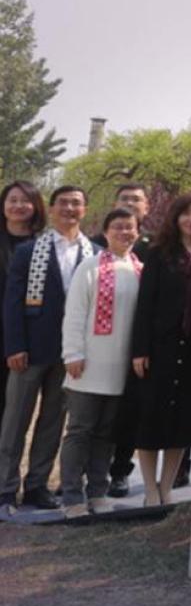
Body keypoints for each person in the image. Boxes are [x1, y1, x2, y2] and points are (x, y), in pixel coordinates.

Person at [0, 185, 96, 510]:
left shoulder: (94, 252)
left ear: (84, 209)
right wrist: (14, 345)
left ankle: (37, 484)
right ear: (52, 209)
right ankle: (5, 485)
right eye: (64, 203)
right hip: (29, 349)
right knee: (15, 421)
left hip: (70, 354)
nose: (70, 209)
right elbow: (13, 303)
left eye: (76, 203)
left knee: (53, 421)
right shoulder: (30, 250)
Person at [59, 208, 143, 514]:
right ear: (106, 232)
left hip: (120, 367)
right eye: (118, 227)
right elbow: (75, 314)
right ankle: (71, 496)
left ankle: (97, 492)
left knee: (106, 434)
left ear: (138, 232)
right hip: (88, 364)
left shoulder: (139, 270)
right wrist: (73, 353)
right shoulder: (90, 267)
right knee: (80, 430)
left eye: (130, 227)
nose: (124, 232)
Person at [131, 193, 191, 508]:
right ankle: (150, 488)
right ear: (175, 218)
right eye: (187, 214)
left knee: (181, 422)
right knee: (152, 419)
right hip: (160, 347)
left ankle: (167, 487)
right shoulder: (159, 254)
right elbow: (145, 305)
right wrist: (140, 350)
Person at [90, 182, 154, 498]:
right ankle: (88, 473)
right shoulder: (95, 249)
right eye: (124, 199)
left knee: (129, 414)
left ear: (147, 209)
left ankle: (119, 472)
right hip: (99, 347)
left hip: (136, 347)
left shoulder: (153, 249)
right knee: (93, 415)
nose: (130, 203)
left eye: (136, 200)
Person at [0, 181, 45, 443]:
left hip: (24, 339)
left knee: (13, 411)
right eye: (12, 200)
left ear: (36, 206)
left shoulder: (45, 244)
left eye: (24, 201)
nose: (18, 206)